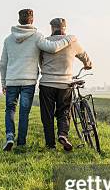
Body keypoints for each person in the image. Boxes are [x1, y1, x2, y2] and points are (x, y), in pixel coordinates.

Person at [0, 9, 75, 151]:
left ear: (19, 20)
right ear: (32, 20)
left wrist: (4, 82)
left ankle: (10, 137)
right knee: (24, 112)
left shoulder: (8, 40)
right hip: (28, 82)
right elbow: (53, 48)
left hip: (11, 80)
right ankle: (21, 143)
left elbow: (3, 63)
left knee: (10, 109)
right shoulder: (36, 37)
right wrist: (69, 38)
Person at [39, 17, 92, 151]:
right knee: (64, 111)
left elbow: (40, 60)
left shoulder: (44, 43)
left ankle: (50, 145)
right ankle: (63, 135)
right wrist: (87, 64)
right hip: (65, 84)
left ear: (52, 28)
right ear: (65, 28)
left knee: (47, 115)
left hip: (47, 84)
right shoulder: (72, 42)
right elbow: (84, 55)